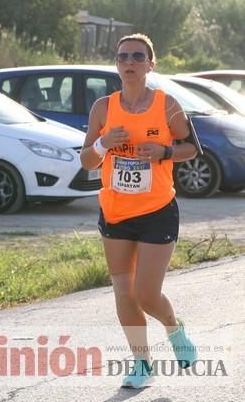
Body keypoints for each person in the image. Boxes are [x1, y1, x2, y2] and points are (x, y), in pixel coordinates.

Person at [80, 34, 199, 388]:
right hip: (115, 211)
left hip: (157, 209)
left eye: (137, 56)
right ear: (117, 64)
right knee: (123, 293)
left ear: (150, 64)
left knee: (147, 294)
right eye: (122, 57)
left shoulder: (168, 105)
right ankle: (142, 364)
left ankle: (174, 329)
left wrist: (164, 152)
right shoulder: (103, 107)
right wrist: (103, 143)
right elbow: (86, 159)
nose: (129, 62)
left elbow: (192, 148)